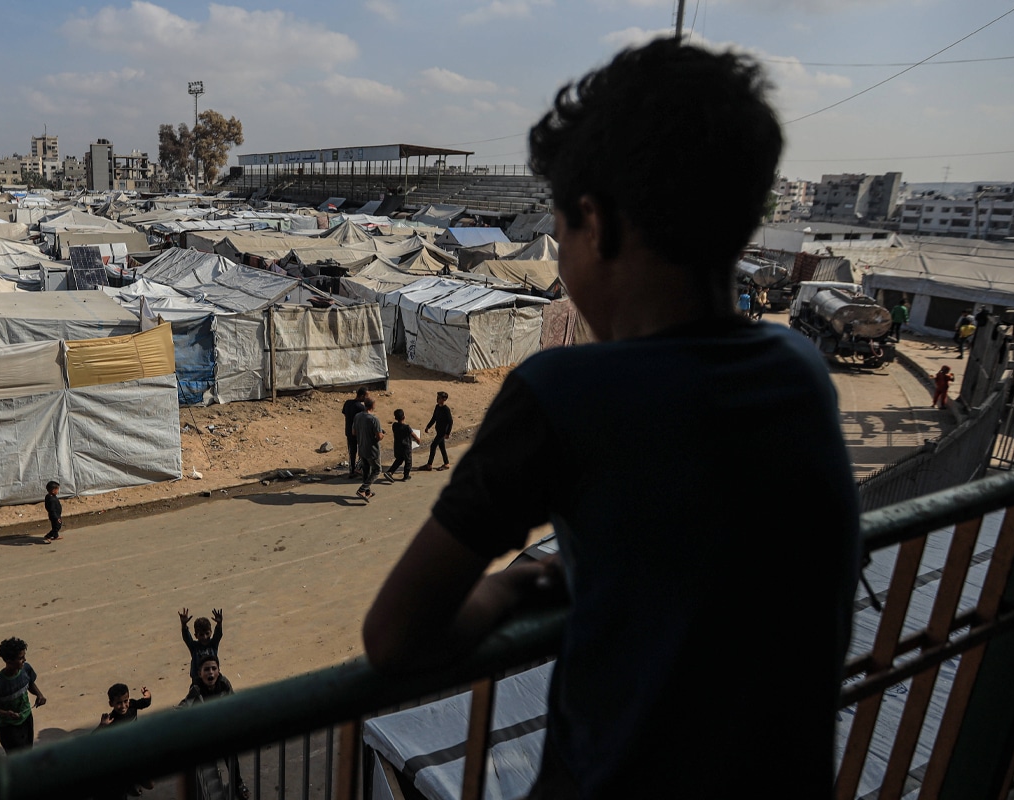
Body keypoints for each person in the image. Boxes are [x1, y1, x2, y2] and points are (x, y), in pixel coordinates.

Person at [362, 38, 859, 799]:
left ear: (597, 223)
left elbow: (395, 636)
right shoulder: (800, 374)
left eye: (560, 235)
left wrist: (519, 587)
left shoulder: (564, 393)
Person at [179, 658, 247, 800]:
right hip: (206, 732)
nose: (211, 672)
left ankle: (238, 784)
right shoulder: (196, 689)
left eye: (214, 668)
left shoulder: (223, 684)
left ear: (218, 671)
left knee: (232, 759)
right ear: (200, 673)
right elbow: (185, 705)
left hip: (222, 729)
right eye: (207, 669)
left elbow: (234, 701)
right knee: (204, 772)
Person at [0, 637, 47, 752]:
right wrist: (6, 713)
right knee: (16, 756)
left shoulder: (26, 669)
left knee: (28, 750)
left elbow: (30, 683)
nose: (24, 660)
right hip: (9, 727)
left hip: (26, 719)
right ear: (9, 661)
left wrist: (39, 695)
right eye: (21, 658)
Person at [178, 608, 229, 695]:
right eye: (201, 634)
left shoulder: (213, 644)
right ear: (196, 635)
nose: (205, 637)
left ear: (211, 633)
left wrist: (219, 624)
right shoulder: (194, 647)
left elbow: (218, 634)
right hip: (198, 681)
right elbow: (186, 637)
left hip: (213, 679)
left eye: (207, 633)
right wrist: (184, 625)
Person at [353, 398, 384, 501]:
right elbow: (379, 437)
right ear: (373, 406)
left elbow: (354, 432)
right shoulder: (374, 419)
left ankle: (367, 492)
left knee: (366, 470)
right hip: (372, 449)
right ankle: (362, 489)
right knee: (377, 470)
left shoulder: (357, 416)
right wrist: (382, 435)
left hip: (361, 447)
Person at [419, 392, 453, 471]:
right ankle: (446, 463)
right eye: (437, 397)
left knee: (433, 446)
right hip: (438, 431)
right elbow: (434, 417)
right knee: (442, 447)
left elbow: (450, 421)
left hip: (442, 432)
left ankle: (429, 465)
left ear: (444, 399)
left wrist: (447, 433)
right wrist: (428, 426)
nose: (437, 399)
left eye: (439, 397)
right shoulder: (437, 407)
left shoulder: (446, 409)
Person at [341, 388, 369, 478]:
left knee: (352, 452)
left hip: (349, 431)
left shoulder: (348, 403)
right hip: (359, 433)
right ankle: (359, 468)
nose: (367, 398)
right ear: (362, 396)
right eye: (366, 396)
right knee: (363, 451)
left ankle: (352, 470)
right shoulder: (361, 407)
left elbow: (345, 414)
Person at [385, 409, 414, 482]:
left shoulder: (394, 425)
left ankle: (390, 472)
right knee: (408, 461)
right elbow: (413, 434)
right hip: (406, 447)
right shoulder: (407, 427)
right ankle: (406, 476)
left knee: (399, 460)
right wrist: (418, 439)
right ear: (404, 417)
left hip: (397, 446)